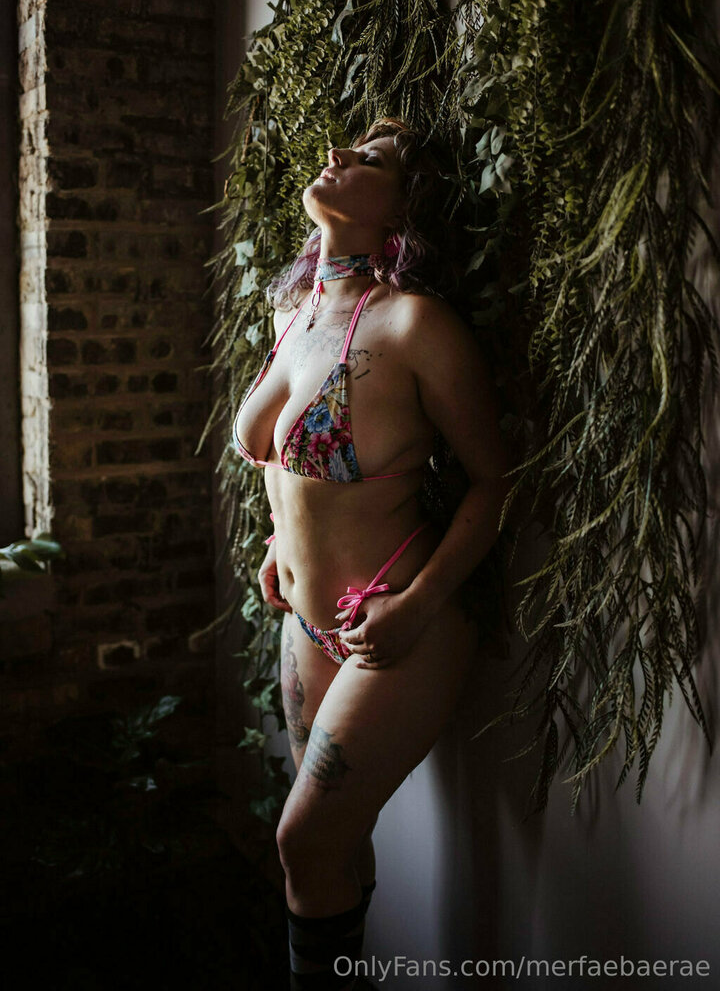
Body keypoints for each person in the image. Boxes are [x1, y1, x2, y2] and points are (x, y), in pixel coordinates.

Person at [232, 118, 508, 990]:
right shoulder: (294, 313)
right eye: (350, 145)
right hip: (307, 625)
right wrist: (280, 542)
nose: (339, 155)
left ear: (404, 207)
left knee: (302, 843)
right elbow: (284, 464)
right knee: (338, 849)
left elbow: (494, 482)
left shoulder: (416, 326)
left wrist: (417, 607)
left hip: (395, 624)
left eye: (372, 159)